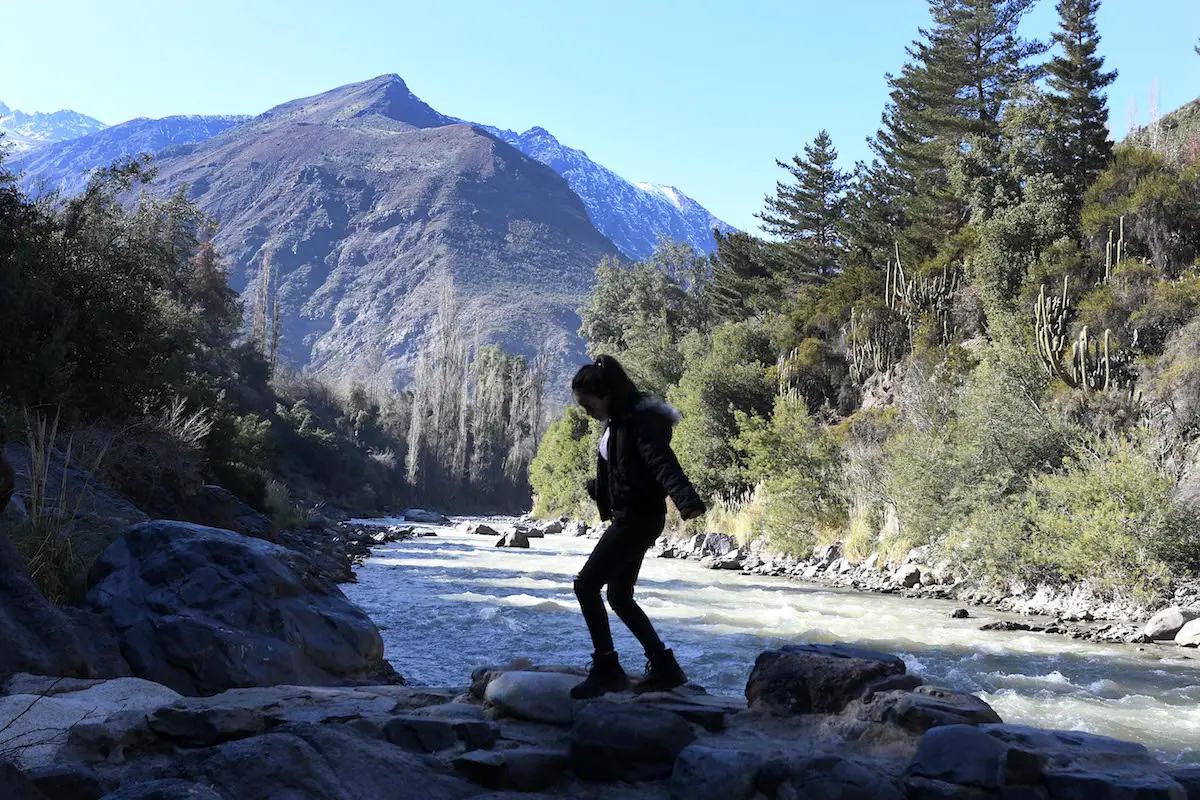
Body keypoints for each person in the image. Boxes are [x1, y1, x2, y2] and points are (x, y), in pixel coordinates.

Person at [569, 355, 706, 699]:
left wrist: (686, 501)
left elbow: (662, 463)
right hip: (631, 516)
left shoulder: (638, 423)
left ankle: (607, 668)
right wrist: (599, 490)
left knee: (586, 586)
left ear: (605, 394)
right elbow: (623, 469)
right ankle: (664, 666)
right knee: (617, 595)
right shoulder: (616, 423)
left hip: (638, 519)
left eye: (587, 404)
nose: (585, 411)